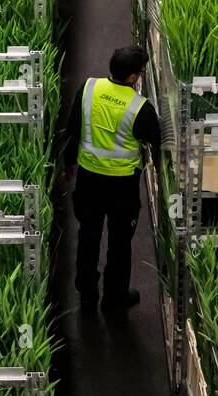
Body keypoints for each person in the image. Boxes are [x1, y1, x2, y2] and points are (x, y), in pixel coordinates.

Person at [62, 45, 161, 313]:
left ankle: (86, 293)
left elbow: (73, 127)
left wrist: (69, 163)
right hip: (122, 186)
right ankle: (114, 298)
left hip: (89, 179)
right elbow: (158, 139)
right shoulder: (139, 107)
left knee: (88, 235)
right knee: (119, 243)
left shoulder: (89, 88)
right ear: (133, 77)